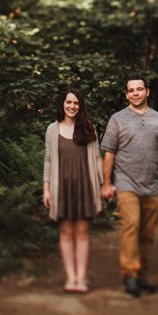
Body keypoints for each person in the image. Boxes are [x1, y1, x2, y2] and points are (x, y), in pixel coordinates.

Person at [99, 74, 158, 298]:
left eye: (139, 89)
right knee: (131, 225)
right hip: (125, 183)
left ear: (147, 92)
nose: (135, 93)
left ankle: (141, 275)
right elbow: (109, 153)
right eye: (131, 90)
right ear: (126, 94)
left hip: (152, 185)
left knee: (147, 234)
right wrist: (106, 183)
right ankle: (130, 275)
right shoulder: (117, 119)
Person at [42, 88, 105, 293]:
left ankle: (81, 278)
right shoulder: (52, 129)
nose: (72, 106)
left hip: (85, 186)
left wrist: (103, 184)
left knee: (82, 232)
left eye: (76, 103)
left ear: (81, 106)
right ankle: (70, 278)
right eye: (68, 102)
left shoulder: (88, 127)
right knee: (67, 232)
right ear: (62, 104)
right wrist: (47, 188)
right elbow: (48, 160)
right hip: (62, 188)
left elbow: (96, 158)